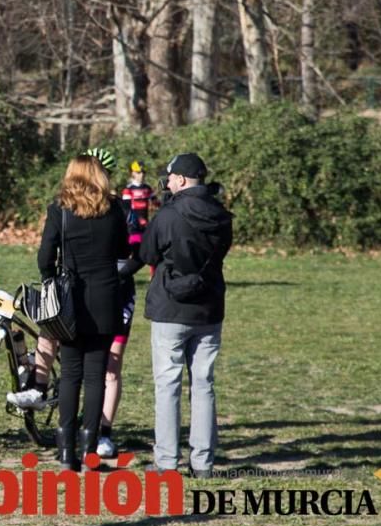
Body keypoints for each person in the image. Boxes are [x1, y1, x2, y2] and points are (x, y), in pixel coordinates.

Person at [30, 155, 130, 471]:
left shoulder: (59, 209)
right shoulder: (114, 209)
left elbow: (45, 255)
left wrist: (51, 278)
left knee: (71, 374)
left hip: (69, 300)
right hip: (105, 298)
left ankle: (65, 452)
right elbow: (124, 252)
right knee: (96, 375)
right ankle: (90, 450)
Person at [139, 153, 233, 478]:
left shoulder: (169, 214)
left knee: (168, 385)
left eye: (169, 178)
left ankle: (167, 461)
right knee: (204, 384)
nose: (167, 184)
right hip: (208, 308)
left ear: (179, 179)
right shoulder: (222, 215)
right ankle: (203, 462)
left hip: (170, 308)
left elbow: (147, 253)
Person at [96, 160, 155, 458]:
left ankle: (104, 433)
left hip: (118, 296)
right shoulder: (69, 210)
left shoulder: (124, 208)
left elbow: (139, 253)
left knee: (111, 365)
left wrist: (119, 273)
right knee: (85, 365)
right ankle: (82, 428)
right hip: (86, 299)